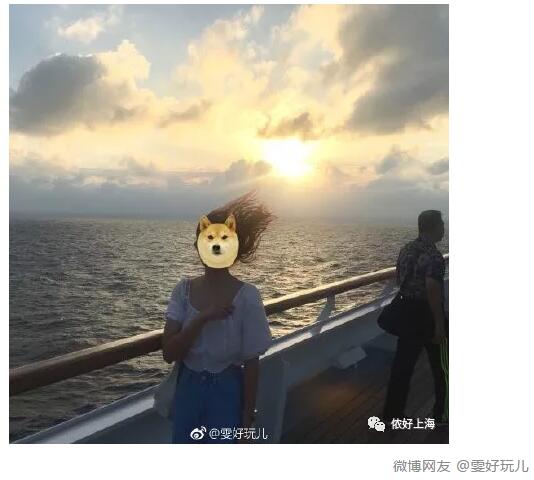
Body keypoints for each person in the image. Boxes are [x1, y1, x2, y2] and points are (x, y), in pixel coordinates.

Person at [161, 191, 275, 443]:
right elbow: (169, 353)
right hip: (187, 393)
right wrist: (202, 318)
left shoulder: (247, 296)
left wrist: (247, 421)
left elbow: (252, 364)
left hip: (227, 395)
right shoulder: (183, 291)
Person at [382, 210, 448, 426]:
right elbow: (432, 291)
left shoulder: (406, 249)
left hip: (407, 313)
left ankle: (391, 415)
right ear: (434, 227)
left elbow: (399, 279)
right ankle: (442, 415)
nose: (444, 228)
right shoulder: (434, 256)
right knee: (442, 366)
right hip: (426, 315)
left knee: (402, 367)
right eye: (442, 224)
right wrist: (439, 325)